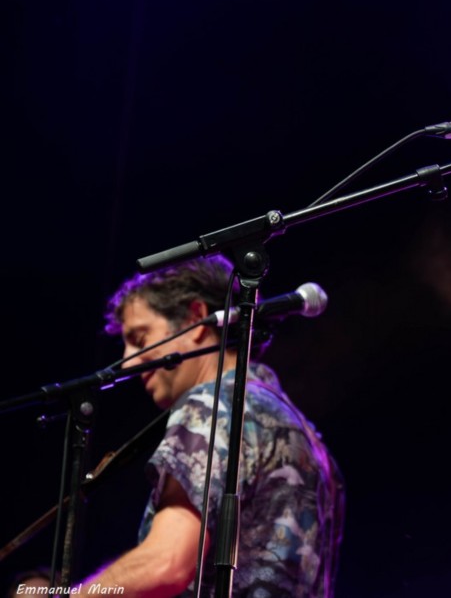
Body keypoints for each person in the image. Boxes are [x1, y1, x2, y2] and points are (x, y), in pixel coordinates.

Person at [79, 255, 345, 597]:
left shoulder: (211, 404)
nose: (127, 362)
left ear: (195, 319)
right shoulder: (305, 436)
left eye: (141, 338)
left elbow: (166, 564)